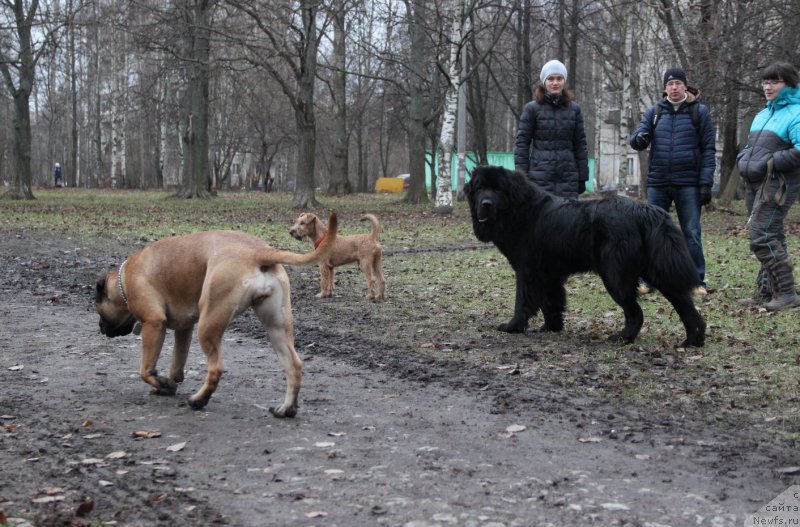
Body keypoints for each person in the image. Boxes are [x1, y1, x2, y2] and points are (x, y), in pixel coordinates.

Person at [629, 67, 716, 296]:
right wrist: (640, 138)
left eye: (678, 83)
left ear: (685, 86)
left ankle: (697, 280)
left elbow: (708, 149)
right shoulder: (655, 112)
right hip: (658, 182)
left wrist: (706, 183)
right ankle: (649, 280)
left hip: (688, 183)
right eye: (670, 84)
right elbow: (636, 141)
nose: (674, 87)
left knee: (691, 232)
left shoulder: (700, 112)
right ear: (665, 88)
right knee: (651, 233)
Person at [736, 61, 800, 310]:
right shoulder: (764, 113)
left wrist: (771, 163)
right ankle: (766, 291)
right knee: (772, 235)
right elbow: (754, 148)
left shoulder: (796, 112)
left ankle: (787, 295)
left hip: (779, 183)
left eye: (774, 81)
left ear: (790, 84)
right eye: (765, 81)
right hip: (755, 184)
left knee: (761, 236)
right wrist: (745, 159)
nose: (768, 86)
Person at [514, 59, 589, 199]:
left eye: (559, 78)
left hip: (568, 178)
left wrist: (582, 177)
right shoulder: (532, 109)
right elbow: (522, 145)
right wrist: (521, 178)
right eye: (551, 79)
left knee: (569, 219)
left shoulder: (574, 110)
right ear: (544, 81)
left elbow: (580, 145)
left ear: (564, 81)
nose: (555, 83)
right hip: (539, 178)